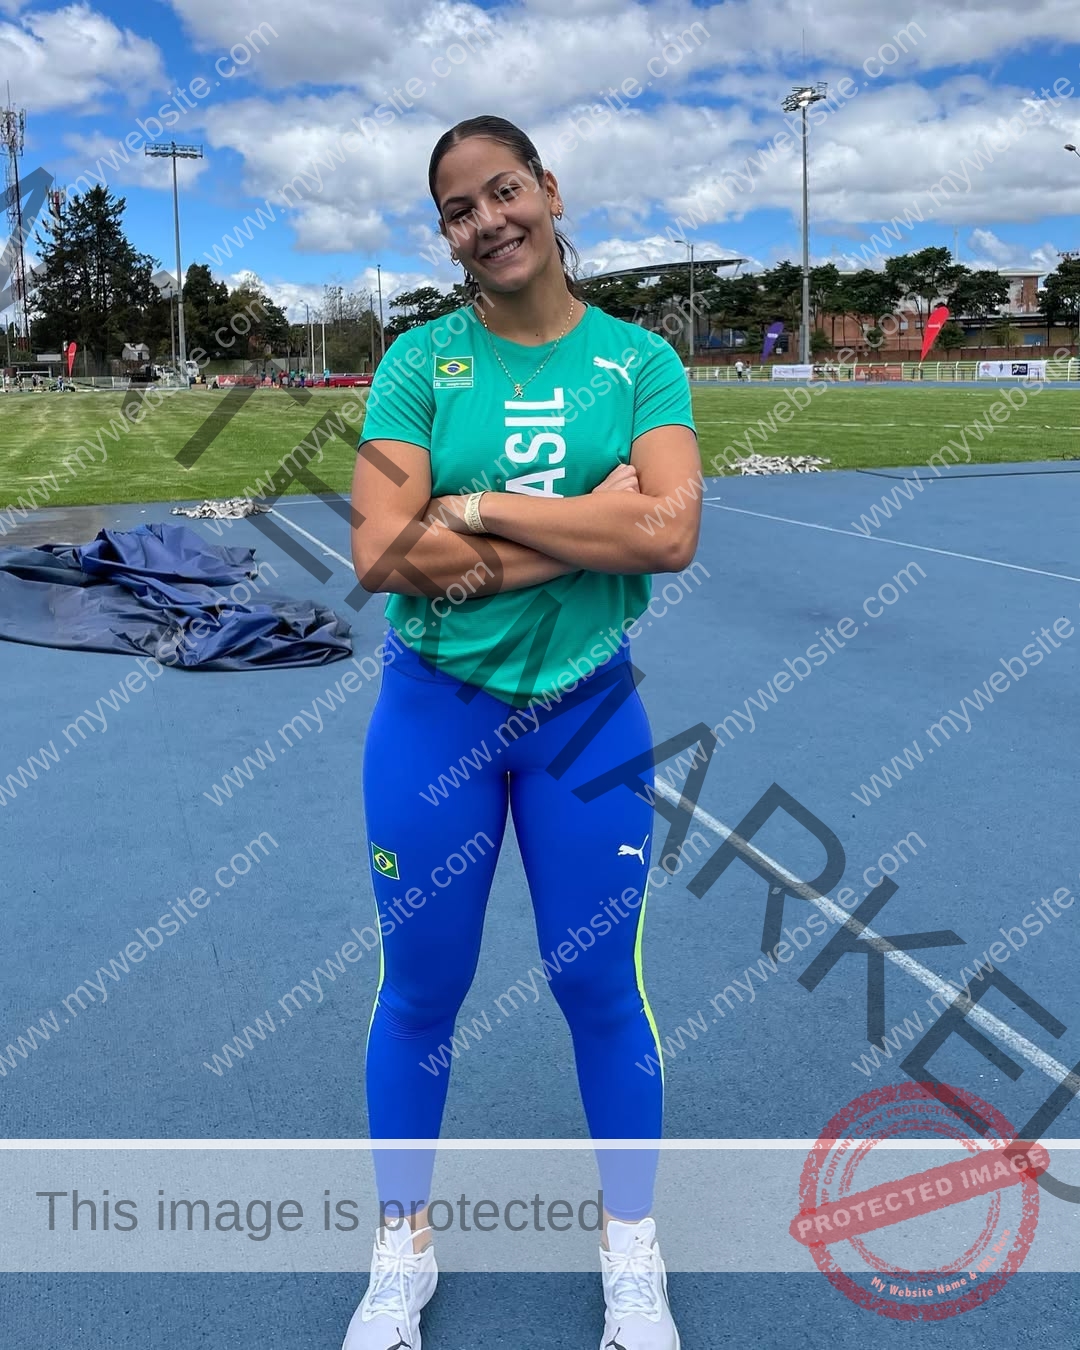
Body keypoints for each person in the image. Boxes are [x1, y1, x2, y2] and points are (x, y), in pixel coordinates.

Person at [346, 114, 701, 1350]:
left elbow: (668, 533)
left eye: (503, 191)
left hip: (587, 720)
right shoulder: (417, 364)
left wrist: (488, 508)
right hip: (434, 720)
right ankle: (402, 1251)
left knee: (601, 987)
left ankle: (632, 1255)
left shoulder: (642, 362)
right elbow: (384, 555)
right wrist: (578, 523)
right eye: (457, 210)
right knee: (423, 993)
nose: (487, 221)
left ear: (549, 190)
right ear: (443, 235)